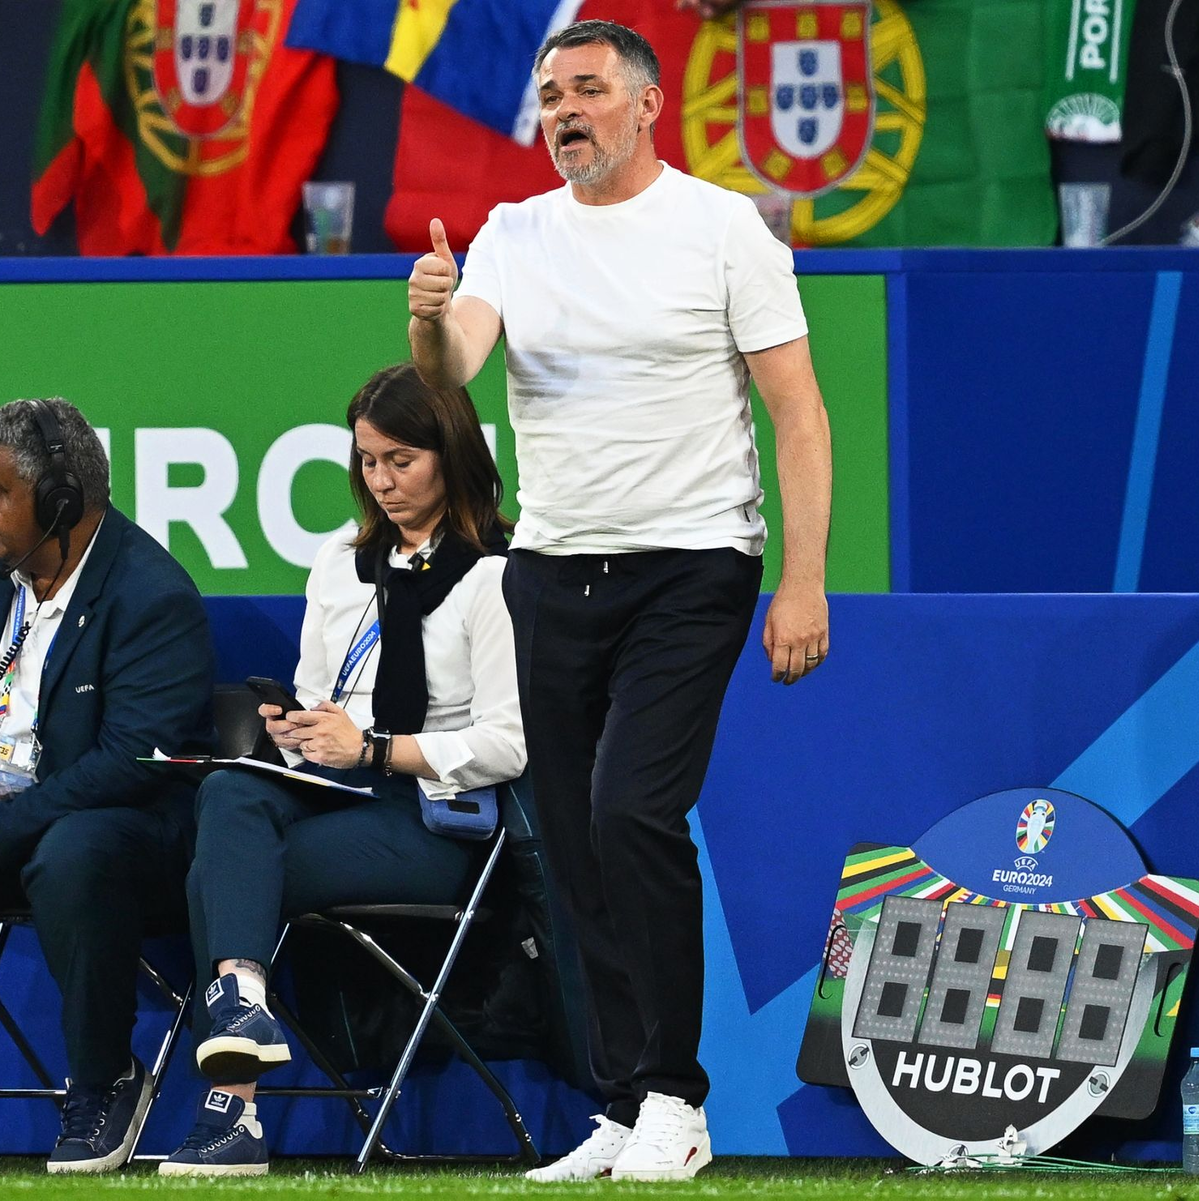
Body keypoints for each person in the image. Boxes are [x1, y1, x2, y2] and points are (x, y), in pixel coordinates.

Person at [407, 18, 831, 1184]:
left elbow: (797, 409)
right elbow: (452, 374)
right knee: (570, 834)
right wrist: (426, 314)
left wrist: (802, 578)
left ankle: (679, 1101)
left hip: (694, 563)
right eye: (551, 96)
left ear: (648, 104)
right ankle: (623, 1097)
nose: (564, 112)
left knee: (632, 812)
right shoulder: (512, 232)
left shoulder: (721, 230)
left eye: (587, 90)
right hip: (552, 566)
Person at [161, 363, 525, 1177]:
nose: (382, 480)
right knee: (229, 790)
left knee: (219, 876)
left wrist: (375, 749)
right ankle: (245, 1016)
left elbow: (509, 743)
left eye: (403, 459)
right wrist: (299, 730)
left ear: (451, 453)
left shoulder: (498, 572)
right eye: (368, 460)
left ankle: (233, 1112)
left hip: (433, 819)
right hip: (332, 791)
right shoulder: (339, 559)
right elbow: (321, 696)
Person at [0, 398, 214, 1174]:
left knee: (72, 851)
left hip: (134, 831)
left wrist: (8, 820)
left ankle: (105, 1079)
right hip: (27, 816)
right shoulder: (4, 581)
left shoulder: (150, 594)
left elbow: (130, 761)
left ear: (61, 503)